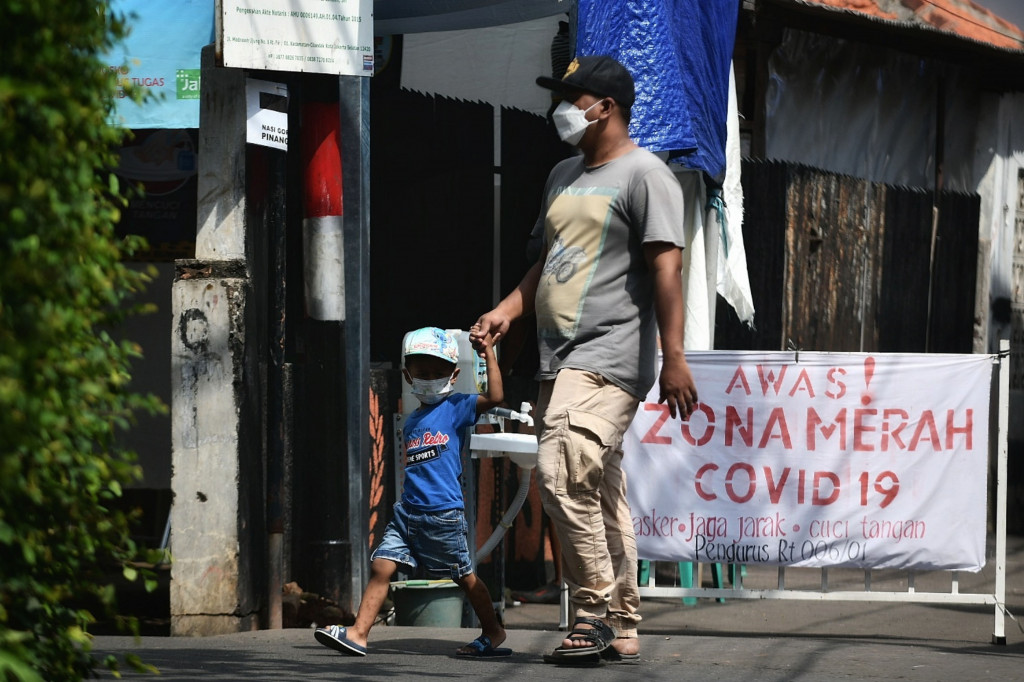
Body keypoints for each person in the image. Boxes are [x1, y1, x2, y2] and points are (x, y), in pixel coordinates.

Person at [471, 55, 699, 663]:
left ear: (607, 107)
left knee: (560, 470)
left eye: (575, 99)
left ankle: (592, 611)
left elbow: (666, 268)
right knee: (597, 490)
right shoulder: (564, 174)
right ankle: (624, 625)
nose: (564, 109)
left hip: (609, 355)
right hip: (558, 358)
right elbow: (551, 261)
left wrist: (673, 356)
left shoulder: (647, 175)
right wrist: (507, 310)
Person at [314, 326, 511, 658]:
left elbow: (493, 397)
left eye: (438, 373)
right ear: (408, 375)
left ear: (454, 374)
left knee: (465, 578)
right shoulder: (412, 420)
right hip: (407, 514)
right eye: (423, 373)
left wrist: (488, 352)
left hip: (444, 515)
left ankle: (493, 631)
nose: (430, 378)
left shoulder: (457, 407)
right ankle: (359, 634)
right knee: (382, 565)